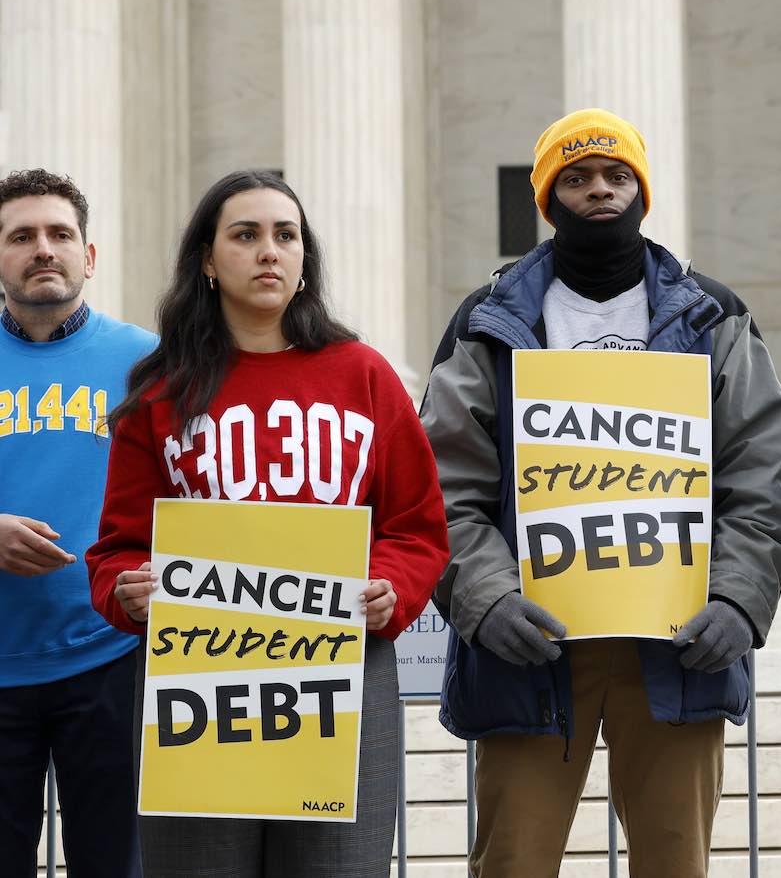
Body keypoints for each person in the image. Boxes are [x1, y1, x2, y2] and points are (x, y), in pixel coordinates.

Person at [421, 108, 781, 877]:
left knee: (675, 863)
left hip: (676, 647)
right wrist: (488, 599)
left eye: (616, 174)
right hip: (531, 648)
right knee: (512, 864)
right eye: (577, 176)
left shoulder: (714, 315)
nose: (599, 189)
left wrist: (737, 600)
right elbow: (442, 483)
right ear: (547, 197)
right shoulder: (489, 320)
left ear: (643, 191)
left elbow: (757, 474)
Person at [86, 169, 449, 878]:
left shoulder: (365, 377)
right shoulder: (161, 392)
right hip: (195, 695)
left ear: (305, 257)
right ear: (207, 260)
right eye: (245, 235)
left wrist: (391, 587)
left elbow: (417, 527)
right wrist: (129, 590)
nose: (269, 252)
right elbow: (116, 550)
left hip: (341, 683)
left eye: (286, 235)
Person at [0, 169, 153, 877]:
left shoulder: (146, 361)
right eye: (21, 235)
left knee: (114, 865)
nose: (43, 249)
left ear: (88, 256)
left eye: (60, 234)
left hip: (111, 661)